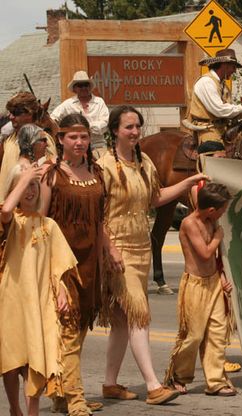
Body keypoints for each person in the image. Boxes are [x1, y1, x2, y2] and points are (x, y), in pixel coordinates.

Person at [97, 105, 208, 405]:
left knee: (122, 321)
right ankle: (153, 384)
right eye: (128, 127)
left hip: (141, 247)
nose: (134, 132)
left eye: (137, 127)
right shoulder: (103, 165)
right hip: (116, 249)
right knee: (139, 316)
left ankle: (109, 383)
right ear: (115, 131)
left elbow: (155, 198)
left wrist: (186, 183)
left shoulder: (144, 162)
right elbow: (96, 214)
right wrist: (109, 248)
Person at [39, 114, 106, 416]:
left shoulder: (97, 172)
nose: (79, 142)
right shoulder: (52, 175)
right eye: (72, 137)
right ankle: (75, 399)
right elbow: (39, 224)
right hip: (62, 263)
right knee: (67, 328)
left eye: (84, 137)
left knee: (79, 329)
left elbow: (100, 220)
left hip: (91, 260)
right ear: (61, 139)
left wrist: (111, 251)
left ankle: (60, 395)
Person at [0, 163, 75, 416]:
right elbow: (7, 209)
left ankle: (32, 413)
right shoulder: (11, 222)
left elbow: (58, 265)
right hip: (11, 301)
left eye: (34, 185)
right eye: (23, 185)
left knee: (36, 360)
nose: (30, 191)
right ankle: (14, 409)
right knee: (11, 362)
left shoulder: (49, 225)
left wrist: (62, 290)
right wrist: (24, 178)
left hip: (40, 303)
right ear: (14, 188)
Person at [164, 181, 237, 397]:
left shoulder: (211, 221)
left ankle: (215, 381)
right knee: (194, 335)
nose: (223, 214)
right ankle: (179, 376)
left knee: (217, 332)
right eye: (222, 210)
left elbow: (213, 259)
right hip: (194, 284)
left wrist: (222, 276)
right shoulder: (190, 223)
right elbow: (205, 253)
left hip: (213, 282)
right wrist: (218, 237)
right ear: (212, 210)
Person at [183, 49, 242, 146]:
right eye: (233, 67)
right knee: (217, 155)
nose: (234, 71)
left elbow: (228, 113)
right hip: (207, 130)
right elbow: (219, 110)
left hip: (223, 128)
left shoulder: (223, 86)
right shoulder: (206, 82)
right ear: (224, 65)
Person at [0, 92, 56, 203]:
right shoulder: (8, 139)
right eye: (10, 113)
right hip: (6, 208)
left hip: (32, 208)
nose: (11, 117)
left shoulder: (43, 140)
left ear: (30, 114)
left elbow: (49, 176)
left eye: (16, 113)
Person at [51, 71, 109, 159]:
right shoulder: (68, 104)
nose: (83, 88)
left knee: (103, 168)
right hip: (76, 147)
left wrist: (85, 128)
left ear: (90, 87)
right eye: (80, 85)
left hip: (98, 146)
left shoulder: (99, 102)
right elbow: (53, 118)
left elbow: (105, 123)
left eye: (86, 85)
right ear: (75, 88)